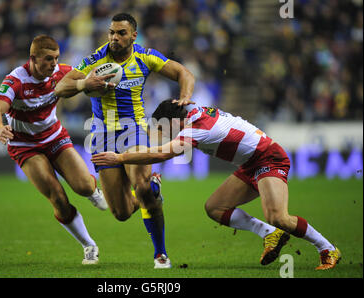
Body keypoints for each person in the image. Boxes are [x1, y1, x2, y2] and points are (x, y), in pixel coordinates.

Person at [91, 99, 341, 270]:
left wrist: (120, 157)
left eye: (163, 128)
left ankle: (327, 249)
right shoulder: (195, 112)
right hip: (250, 163)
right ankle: (269, 234)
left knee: (278, 216)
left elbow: (161, 154)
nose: (164, 132)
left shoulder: (194, 131)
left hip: (269, 158)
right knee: (214, 208)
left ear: (174, 122)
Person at [54, 13, 195, 268]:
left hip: (134, 130)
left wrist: (184, 97)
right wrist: (86, 82)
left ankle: (160, 254)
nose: (114, 38)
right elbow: (60, 88)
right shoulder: (96, 59)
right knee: (120, 213)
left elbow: (184, 73)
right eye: (111, 32)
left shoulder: (145, 56)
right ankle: (153, 188)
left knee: (140, 186)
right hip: (102, 135)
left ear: (133, 36)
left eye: (120, 33)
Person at [0, 35, 110, 265]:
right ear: (33, 58)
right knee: (58, 198)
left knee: (83, 186)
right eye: (48, 59)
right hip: (25, 145)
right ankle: (89, 245)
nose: (53, 64)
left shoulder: (61, 72)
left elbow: (87, 81)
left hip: (54, 136)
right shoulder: (16, 81)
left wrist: (99, 83)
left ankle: (93, 191)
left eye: (56, 58)